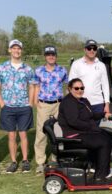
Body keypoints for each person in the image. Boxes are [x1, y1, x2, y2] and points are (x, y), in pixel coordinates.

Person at [58, 78, 112, 183]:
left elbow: (91, 115)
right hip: (73, 136)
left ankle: (97, 167)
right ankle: (101, 175)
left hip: (82, 132)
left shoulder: (83, 100)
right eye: (76, 88)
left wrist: (103, 114)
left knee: (107, 135)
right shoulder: (69, 102)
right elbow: (73, 122)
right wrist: (92, 128)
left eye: (82, 88)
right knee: (103, 142)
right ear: (70, 89)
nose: (80, 90)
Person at [0, 39, 36, 173]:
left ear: (21, 50)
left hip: (24, 107)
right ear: (9, 50)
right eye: (14, 48)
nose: (16, 51)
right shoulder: (1, 68)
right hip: (8, 108)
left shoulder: (28, 69)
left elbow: (32, 86)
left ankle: (25, 160)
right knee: (11, 136)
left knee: (23, 135)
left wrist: (30, 103)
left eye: (18, 48)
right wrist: (2, 105)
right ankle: (13, 161)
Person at [33, 45, 68, 173]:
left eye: (53, 54)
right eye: (48, 54)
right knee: (42, 133)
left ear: (56, 56)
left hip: (59, 104)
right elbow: (36, 87)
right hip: (44, 105)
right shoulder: (38, 70)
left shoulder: (62, 70)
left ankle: (56, 158)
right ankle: (40, 162)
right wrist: (36, 102)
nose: (51, 57)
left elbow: (67, 86)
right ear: (45, 56)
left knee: (58, 132)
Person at [69, 39, 110, 123]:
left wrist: (107, 104)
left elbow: (105, 86)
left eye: (94, 48)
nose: (92, 50)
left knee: (95, 130)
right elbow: (71, 85)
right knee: (83, 131)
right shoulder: (76, 64)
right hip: (81, 103)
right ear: (85, 49)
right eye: (89, 48)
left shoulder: (101, 65)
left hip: (98, 104)